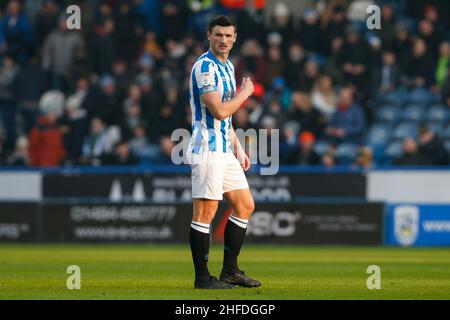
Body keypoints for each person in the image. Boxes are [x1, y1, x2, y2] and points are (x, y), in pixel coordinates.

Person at [186, 16, 260, 289]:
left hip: (223, 149)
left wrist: (238, 147)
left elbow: (225, 120)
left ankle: (230, 271)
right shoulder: (205, 67)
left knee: (245, 205)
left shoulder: (228, 66)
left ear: (235, 37)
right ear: (209, 35)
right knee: (205, 213)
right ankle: (203, 278)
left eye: (228, 36)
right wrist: (245, 93)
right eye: (218, 35)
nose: (223, 40)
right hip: (207, 148)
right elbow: (218, 110)